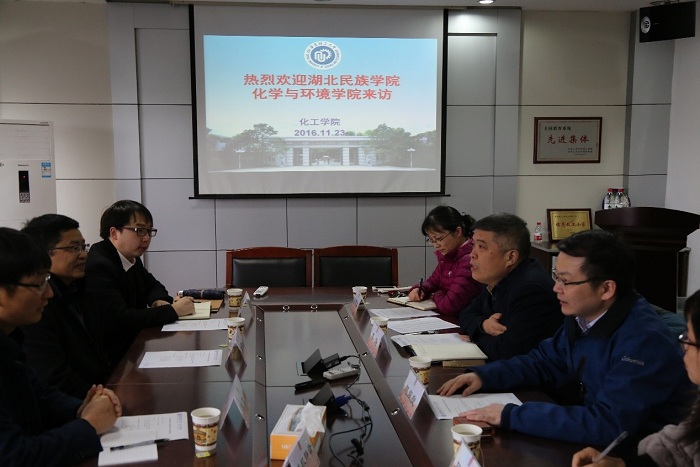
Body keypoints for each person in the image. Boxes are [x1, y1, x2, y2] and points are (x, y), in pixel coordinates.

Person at [438, 229, 693, 455]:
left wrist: (511, 415)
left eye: (566, 281)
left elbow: (608, 424)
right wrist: (484, 377)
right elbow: (544, 361)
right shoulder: (584, 315)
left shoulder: (643, 341)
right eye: (556, 277)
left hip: (636, 456)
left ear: (606, 289)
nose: (556, 288)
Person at [0, 227, 121, 465]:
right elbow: (14, 457)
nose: (49, 293)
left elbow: (38, 394)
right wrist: (88, 425)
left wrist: (82, 407)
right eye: (38, 284)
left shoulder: (10, 339)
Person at [572, 288, 700, 467]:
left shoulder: (644, 338)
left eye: (690, 340)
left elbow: (605, 423)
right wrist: (620, 464)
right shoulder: (579, 323)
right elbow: (678, 452)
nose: (684, 346)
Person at [84, 200, 194, 364]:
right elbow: (121, 320)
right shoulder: (99, 265)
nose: (146, 238)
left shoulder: (130, 258)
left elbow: (153, 285)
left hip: (132, 349)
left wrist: (158, 300)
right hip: (109, 360)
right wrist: (173, 311)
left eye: (149, 231)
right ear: (114, 233)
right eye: (140, 230)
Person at [21, 214, 114, 398]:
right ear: (42, 253)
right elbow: (53, 376)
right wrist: (99, 397)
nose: (84, 254)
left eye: (83, 246)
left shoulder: (81, 288)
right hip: (76, 402)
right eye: (74, 248)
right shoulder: (38, 303)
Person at [457, 213, 562, 360]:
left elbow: (505, 352)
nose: (472, 254)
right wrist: (483, 325)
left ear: (511, 257)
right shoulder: (496, 277)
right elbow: (466, 314)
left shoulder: (531, 291)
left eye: (481, 247)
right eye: (473, 245)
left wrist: (474, 337)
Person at [407, 205, 481, 317]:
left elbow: (450, 306)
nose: (436, 245)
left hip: (462, 321)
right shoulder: (449, 256)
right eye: (431, 240)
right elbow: (432, 282)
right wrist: (420, 289)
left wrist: (436, 294)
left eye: (439, 239)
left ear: (458, 231)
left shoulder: (469, 260)